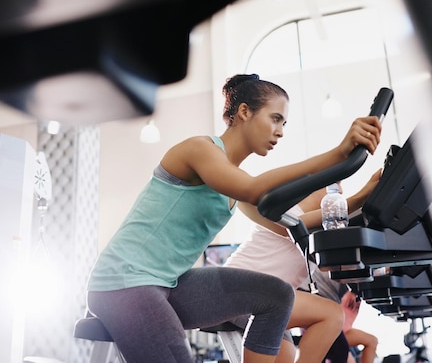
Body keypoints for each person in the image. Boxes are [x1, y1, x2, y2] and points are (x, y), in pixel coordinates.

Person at [85, 73, 383, 363]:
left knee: (277, 295)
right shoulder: (199, 149)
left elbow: (289, 221)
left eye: (284, 123)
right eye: (275, 118)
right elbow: (254, 189)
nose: (280, 131)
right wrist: (339, 154)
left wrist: (360, 196)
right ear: (244, 112)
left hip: (168, 283)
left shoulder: (234, 183)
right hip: (124, 282)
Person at [226, 171, 382, 363]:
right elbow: (295, 227)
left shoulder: (317, 230)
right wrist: (362, 195)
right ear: (315, 184)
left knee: (286, 357)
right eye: (335, 184)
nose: (339, 192)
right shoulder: (285, 212)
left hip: (268, 301)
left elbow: (335, 269)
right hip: (241, 288)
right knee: (331, 314)